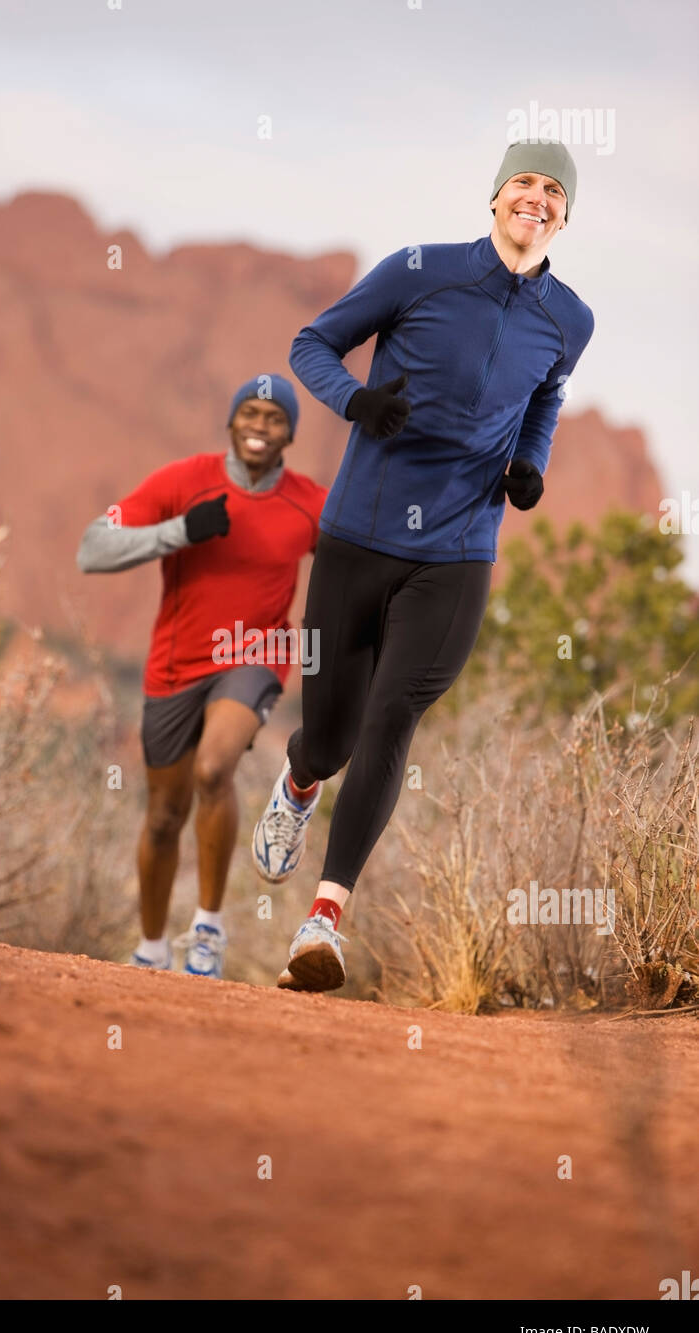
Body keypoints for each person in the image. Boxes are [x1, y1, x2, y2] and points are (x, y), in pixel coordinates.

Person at [252, 139, 595, 992]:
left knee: (391, 720)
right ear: (494, 197)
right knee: (331, 737)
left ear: (566, 213)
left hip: (457, 550)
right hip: (358, 537)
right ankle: (298, 782)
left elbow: (545, 396)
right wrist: (355, 399)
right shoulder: (419, 270)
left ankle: (323, 920)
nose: (537, 198)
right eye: (524, 182)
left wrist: (531, 464)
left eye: (554, 190)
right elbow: (312, 345)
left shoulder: (571, 320)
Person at [77, 375, 327, 979]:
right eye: (250, 413)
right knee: (164, 817)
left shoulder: (309, 502)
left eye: (273, 417)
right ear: (231, 421)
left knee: (214, 768)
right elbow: (93, 548)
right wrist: (181, 532)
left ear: (290, 432)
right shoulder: (183, 481)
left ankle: (209, 933)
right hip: (174, 665)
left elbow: (362, 558)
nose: (260, 426)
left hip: (254, 656)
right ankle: (152, 948)